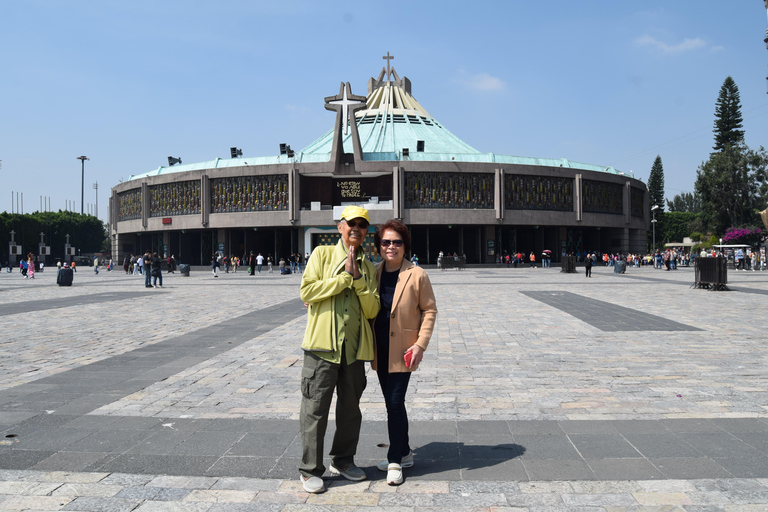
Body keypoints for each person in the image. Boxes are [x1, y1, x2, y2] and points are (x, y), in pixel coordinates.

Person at [297, 205, 380, 494]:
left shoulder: (369, 267)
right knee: (315, 409)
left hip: (354, 350)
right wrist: (343, 277)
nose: (356, 228)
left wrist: (357, 279)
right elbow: (307, 291)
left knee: (350, 409)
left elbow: (372, 310)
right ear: (340, 227)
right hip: (321, 348)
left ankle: (343, 460)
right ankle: (310, 469)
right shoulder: (321, 255)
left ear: (367, 231)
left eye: (362, 224)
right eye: (351, 223)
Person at [372, 219, 437, 486]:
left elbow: (429, 310)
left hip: (404, 349)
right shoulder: (374, 272)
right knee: (392, 403)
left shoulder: (417, 274)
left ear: (405, 246)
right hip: (379, 349)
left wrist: (420, 344)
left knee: (395, 403)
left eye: (396, 242)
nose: (391, 247)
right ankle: (406, 451)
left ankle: (395, 460)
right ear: (379, 246)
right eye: (386, 242)